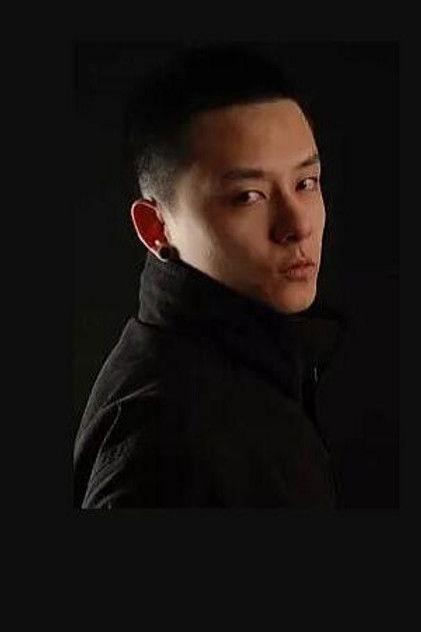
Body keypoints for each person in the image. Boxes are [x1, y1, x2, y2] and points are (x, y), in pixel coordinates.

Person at [73, 44, 347, 509]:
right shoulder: (166, 437)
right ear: (155, 227)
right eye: (248, 196)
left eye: (306, 183)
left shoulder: (254, 371)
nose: (297, 225)